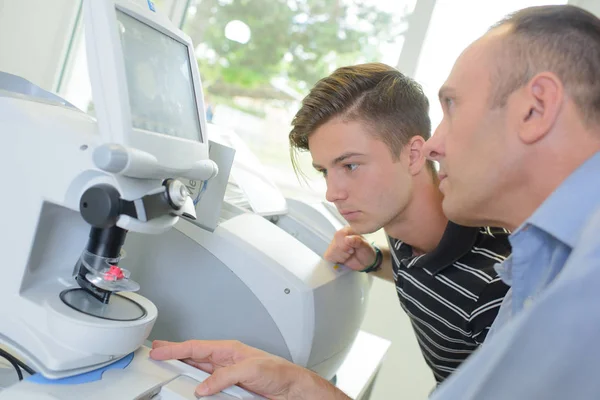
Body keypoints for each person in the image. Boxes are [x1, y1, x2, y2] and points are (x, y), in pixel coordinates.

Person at [150, 4, 600, 399]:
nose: (437, 145)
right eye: (327, 172)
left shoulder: (518, 292)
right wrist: (373, 264)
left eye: (454, 107)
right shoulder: (525, 264)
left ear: (536, 109)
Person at [288, 62, 510, 383]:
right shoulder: (401, 220)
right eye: (324, 170)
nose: (332, 193)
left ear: (414, 155)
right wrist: (376, 260)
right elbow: (431, 276)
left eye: (350, 166)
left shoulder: (496, 286)